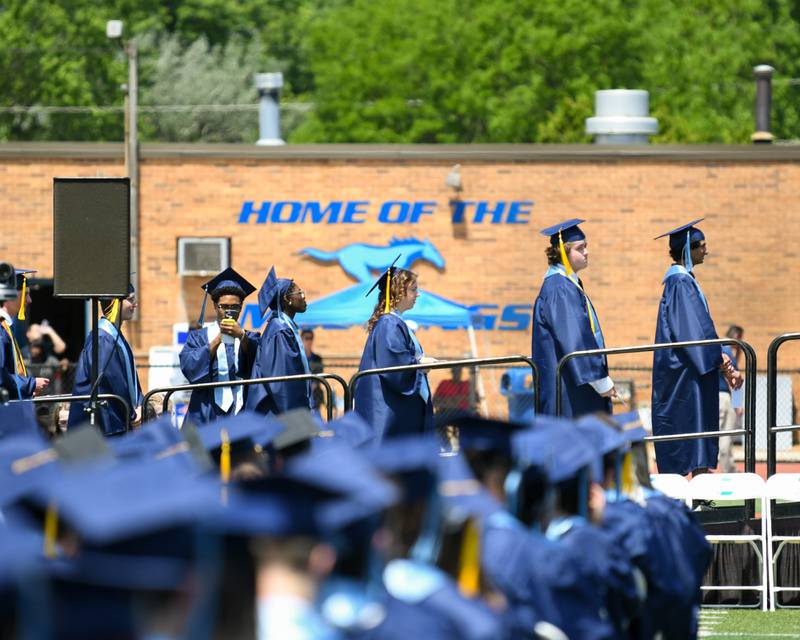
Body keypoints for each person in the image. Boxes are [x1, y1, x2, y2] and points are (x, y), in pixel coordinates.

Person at [652, 219, 743, 476]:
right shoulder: (680, 283)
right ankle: (689, 501)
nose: (705, 250)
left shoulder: (684, 281)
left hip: (691, 372)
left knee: (697, 434)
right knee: (687, 434)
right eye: (700, 245)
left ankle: (701, 497)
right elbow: (695, 333)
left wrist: (721, 360)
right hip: (685, 375)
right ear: (687, 250)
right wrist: (722, 362)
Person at [531, 219, 616, 418]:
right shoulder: (559, 288)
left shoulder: (565, 284)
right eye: (580, 248)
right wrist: (600, 381)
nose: (586, 252)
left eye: (586, 247)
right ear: (563, 252)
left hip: (573, 381)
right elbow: (575, 338)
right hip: (570, 386)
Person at [353, 261, 434, 441]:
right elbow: (394, 368)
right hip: (389, 412)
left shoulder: (394, 322)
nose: (418, 294)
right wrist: (420, 366)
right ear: (398, 292)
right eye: (413, 289)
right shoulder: (389, 323)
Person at [179, 268, 259, 426]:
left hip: (242, 408)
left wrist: (242, 337)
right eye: (224, 306)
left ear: (241, 307)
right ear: (215, 306)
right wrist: (218, 340)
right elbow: (189, 367)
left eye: (234, 307)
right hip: (206, 409)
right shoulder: (199, 337)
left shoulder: (250, 338)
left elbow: (260, 365)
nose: (229, 312)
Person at [67, 283, 143, 436]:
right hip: (108, 424)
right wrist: (132, 413)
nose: (135, 304)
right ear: (115, 303)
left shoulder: (112, 335)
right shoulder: (103, 338)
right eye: (130, 299)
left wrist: (140, 404)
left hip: (116, 419)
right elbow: (113, 380)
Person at [246, 267, 313, 417]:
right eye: (299, 293)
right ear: (287, 299)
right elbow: (282, 382)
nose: (304, 297)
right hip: (277, 413)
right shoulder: (280, 330)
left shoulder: (282, 326)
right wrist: (297, 417)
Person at [0, 268, 48, 401]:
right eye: (25, 294)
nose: (29, 300)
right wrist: (30, 384)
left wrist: (26, 390)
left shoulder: (6, 327)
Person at [718, 325, 745, 473]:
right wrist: (738, 404)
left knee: (714, 435)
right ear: (736, 336)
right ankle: (730, 470)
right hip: (724, 397)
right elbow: (734, 380)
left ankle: (706, 468)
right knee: (725, 436)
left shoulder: (717, 348)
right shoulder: (728, 351)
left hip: (713, 397)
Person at [301, 329, 327, 414]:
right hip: (302, 394)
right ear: (302, 339)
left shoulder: (317, 358)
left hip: (315, 396)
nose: (309, 341)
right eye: (307, 338)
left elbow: (319, 376)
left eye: (311, 338)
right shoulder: (298, 358)